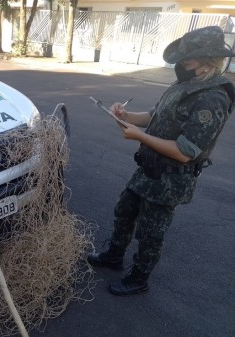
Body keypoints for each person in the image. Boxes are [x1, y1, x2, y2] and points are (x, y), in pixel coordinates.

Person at [87, 25, 235, 296]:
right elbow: (156, 115)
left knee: (151, 231)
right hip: (149, 168)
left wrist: (139, 137)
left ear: (207, 61)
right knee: (125, 210)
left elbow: (185, 151)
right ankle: (114, 255)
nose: (181, 64)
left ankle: (139, 278)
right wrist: (127, 116)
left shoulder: (213, 98)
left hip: (171, 176)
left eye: (187, 59)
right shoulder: (186, 84)